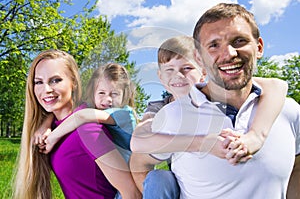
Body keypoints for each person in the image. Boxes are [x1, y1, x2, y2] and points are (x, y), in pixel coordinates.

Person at [130, 34, 290, 198]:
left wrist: (255, 136)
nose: (178, 75)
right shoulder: (159, 108)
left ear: (204, 71)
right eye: (169, 70)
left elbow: (276, 85)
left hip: (210, 182)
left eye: (187, 68)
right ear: (160, 77)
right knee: (159, 178)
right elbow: (139, 140)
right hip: (176, 187)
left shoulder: (219, 98)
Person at [12, 49, 141, 199]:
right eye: (39, 82)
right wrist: (45, 124)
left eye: (56, 80)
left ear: (73, 82)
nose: (46, 89)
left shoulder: (88, 129)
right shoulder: (51, 128)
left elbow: (132, 194)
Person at [37, 63, 136, 163]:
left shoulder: (123, 114)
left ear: (124, 95)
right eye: (101, 93)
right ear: (93, 94)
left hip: (127, 171)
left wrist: (52, 138)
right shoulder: (95, 109)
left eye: (115, 94)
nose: (108, 99)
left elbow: (81, 116)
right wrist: (45, 126)